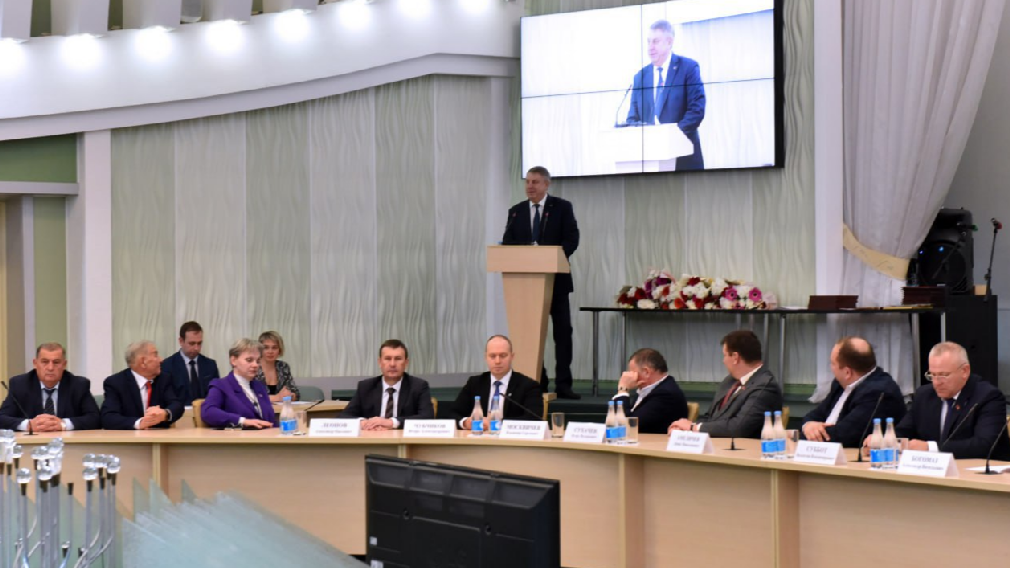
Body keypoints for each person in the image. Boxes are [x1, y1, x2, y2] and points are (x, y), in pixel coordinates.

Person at [501, 166, 581, 399]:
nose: (530, 186)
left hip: (556, 282)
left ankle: (564, 385)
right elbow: (508, 243)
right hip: (526, 285)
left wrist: (552, 256)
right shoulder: (516, 212)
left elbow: (572, 239)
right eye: (527, 182)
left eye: (535, 182)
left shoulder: (562, 207)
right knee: (530, 334)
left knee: (562, 333)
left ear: (546, 184)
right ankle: (538, 381)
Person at [872, 342, 1010, 460]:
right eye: (932, 375)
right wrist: (882, 442)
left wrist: (930, 448)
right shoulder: (924, 395)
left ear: (964, 371)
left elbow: (984, 445)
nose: (936, 382)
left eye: (943, 375)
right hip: (929, 471)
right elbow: (903, 432)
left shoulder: (987, 396)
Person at [625, 20, 706, 171]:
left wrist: (669, 137)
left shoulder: (688, 68)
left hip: (684, 160)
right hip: (650, 162)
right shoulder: (640, 77)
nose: (650, 47)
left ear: (669, 42)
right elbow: (631, 119)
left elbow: (697, 110)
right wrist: (649, 137)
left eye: (655, 41)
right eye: (648, 41)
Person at [669, 330, 781, 437]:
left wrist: (693, 427)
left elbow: (738, 428)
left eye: (725, 355)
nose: (723, 361)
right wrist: (684, 429)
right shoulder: (730, 381)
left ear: (735, 357)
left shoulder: (765, 386)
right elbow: (709, 418)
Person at [801, 337, 906, 447]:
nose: (831, 368)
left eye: (832, 363)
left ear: (847, 372)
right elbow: (815, 415)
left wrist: (809, 433)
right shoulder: (840, 384)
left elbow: (844, 436)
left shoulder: (879, 392)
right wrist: (808, 425)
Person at [449, 335, 544, 429]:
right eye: (492, 356)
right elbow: (452, 413)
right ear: (486, 357)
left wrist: (496, 423)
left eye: (503, 355)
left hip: (510, 438)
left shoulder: (528, 386)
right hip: (479, 436)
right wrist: (465, 422)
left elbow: (534, 418)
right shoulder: (475, 383)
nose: (497, 361)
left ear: (512, 357)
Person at [0, 343, 100, 432]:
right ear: (35, 363)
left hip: (67, 442)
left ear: (64, 364)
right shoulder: (20, 384)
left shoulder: (78, 385)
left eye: (56, 362)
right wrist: (28, 425)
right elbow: (2, 418)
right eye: (45, 362)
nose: (50, 368)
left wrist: (63, 424)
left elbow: (95, 418)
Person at [341, 340, 434, 430]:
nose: (392, 364)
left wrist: (391, 422)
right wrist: (363, 422)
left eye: (398, 359)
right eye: (388, 359)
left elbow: (427, 417)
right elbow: (344, 416)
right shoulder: (366, 387)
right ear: (380, 362)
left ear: (406, 363)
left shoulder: (418, 386)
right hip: (372, 437)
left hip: (402, 438)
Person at [101, 341, 184, 430]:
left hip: (159, 435)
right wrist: (139, 423)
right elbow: (108, 418)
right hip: (129, 436)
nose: (161, 360)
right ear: (143, 362)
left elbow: (177, 405)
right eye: (156, 355)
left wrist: (165, 413)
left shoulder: (164, 379)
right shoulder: (116, 383)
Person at [201, 338, 275, 429]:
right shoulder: (221, 385)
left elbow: (271, 420)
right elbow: (208, 412)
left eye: (258, 361)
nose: (255, 365)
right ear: (233, 361)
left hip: (267, 436)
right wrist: (242, 421)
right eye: (249, 360)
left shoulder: (259, 386)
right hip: (240, 437)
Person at [612, 348, 688, 434]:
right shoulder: (648, 389)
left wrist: (623, 390)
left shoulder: (666, 394)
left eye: (632, 372)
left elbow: (627, 426)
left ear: (646, 372)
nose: (629, 376)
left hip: (654, 442)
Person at [161, 321, 221, 405]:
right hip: (180, 412)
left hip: (206, 411)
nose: (196, 348)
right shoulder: (168, 366)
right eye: (192, 343)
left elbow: (216, 395)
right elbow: (166, 399)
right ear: (181, 341)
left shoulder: (210, 365)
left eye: (199, 343)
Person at [253, 331, 300, 402]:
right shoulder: (252, 366)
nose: (270, 351)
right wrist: (276, 398)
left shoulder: (283, 367)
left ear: (279, 350)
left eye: (274, 348)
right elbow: (248, 397)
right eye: (266, 347)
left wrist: (289, 396)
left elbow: (296, 394)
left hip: (280, 408)